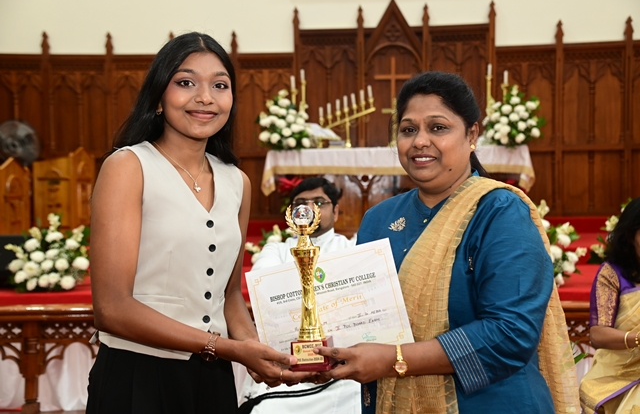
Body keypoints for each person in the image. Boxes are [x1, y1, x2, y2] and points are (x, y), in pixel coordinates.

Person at [314, 71, 579, 413]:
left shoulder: (500, 212)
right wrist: (321, 352)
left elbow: (510, 333)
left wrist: (395, 359)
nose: (420, 141)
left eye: (438, 127)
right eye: (408, 130)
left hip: (491, 404)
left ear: (472, 134)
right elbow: (360, 319)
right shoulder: (378, 219)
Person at [87, 32, 310, 414]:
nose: (205, 97)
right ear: (159, 97)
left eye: (219, 85)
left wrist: (257, 350)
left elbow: (228, 295)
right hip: (139, 374)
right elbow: (112, 308)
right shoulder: (128, 167)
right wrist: (224, 347)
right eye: (186, 82)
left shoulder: (237, 181)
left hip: (212, 378)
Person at [237, 177, 361, 413]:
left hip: (340, 365)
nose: (310, 209)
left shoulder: (352, 248)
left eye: (319, 202)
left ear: (336, 211)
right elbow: (266, 293)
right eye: (301, 203)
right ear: (291, 213)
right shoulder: (277, 249)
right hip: (287, 361)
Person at [579, 197, 640, 414]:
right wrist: (637, 339)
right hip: (620, 373)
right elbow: (598, 334)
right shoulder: (612, 274)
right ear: (630, 236)